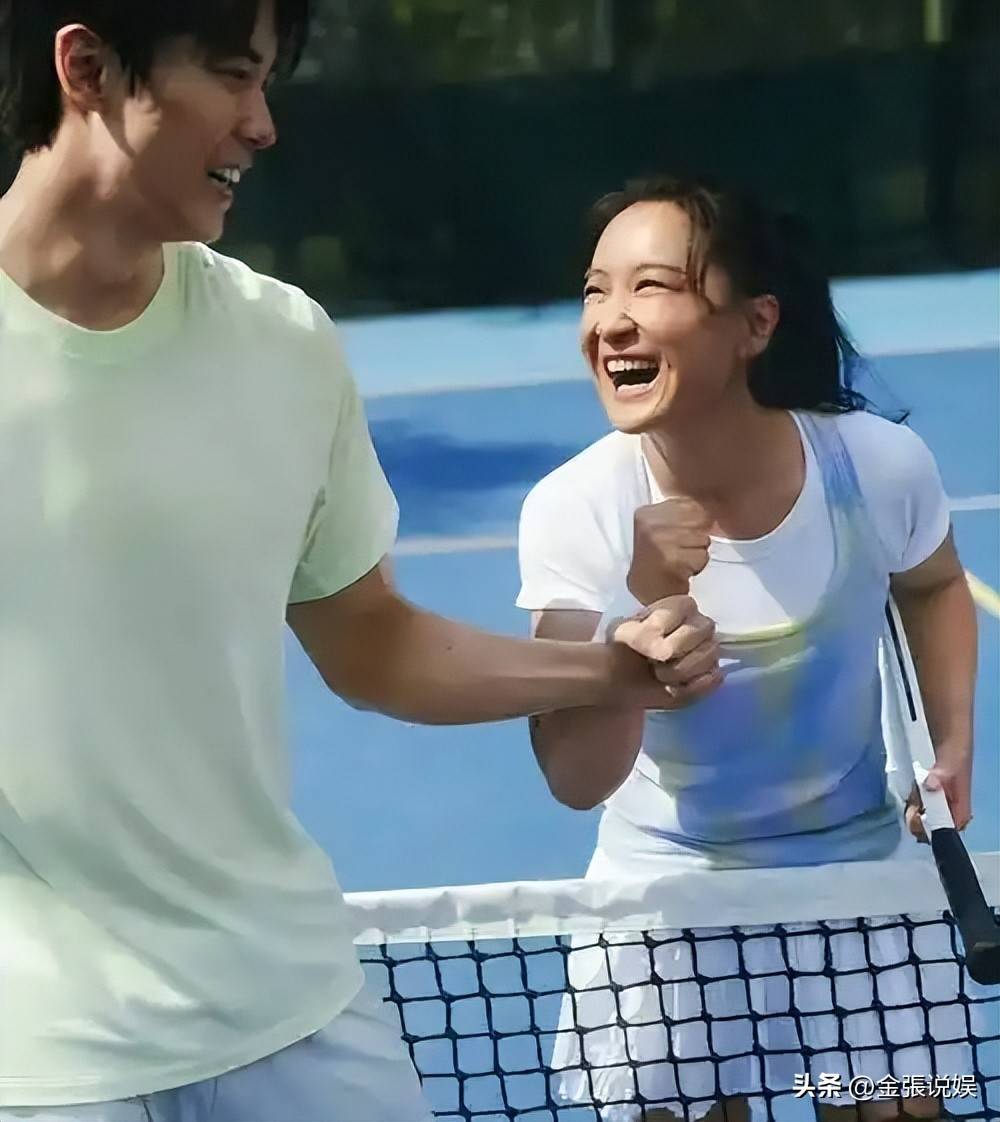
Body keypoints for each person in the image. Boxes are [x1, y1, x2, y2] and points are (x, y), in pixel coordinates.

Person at [0, 5, 723, 1118]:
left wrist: (610, 672)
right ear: (86, 66)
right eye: (233, 77)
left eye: (268, 82)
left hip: (287, 1005)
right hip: (37, 1058)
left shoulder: (282, 344)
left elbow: (372, 644)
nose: (263, 124)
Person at [517, 176, 978, 1121]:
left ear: (755, 324)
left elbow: (932, 585)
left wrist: (953, 740)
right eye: (596, 291)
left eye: (651, 286)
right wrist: (638, 621)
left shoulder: (875, 467)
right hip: (668, 895)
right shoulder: (575, 509)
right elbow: (573, 776)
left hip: (858, 876)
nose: (609, 321)